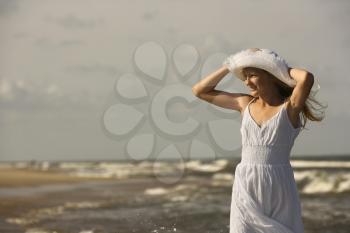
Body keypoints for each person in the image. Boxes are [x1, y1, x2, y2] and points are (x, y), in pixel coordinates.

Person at [191, 48, 326, 233]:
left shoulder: (290, 108)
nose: (247, 82)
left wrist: (277, 66)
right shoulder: (244, 103)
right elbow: (200, 90)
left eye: (252, 75)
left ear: (270, 75)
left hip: (279, 186)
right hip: (246, 182)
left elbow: (306, 78)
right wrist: (231, 64)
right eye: (244, 76)